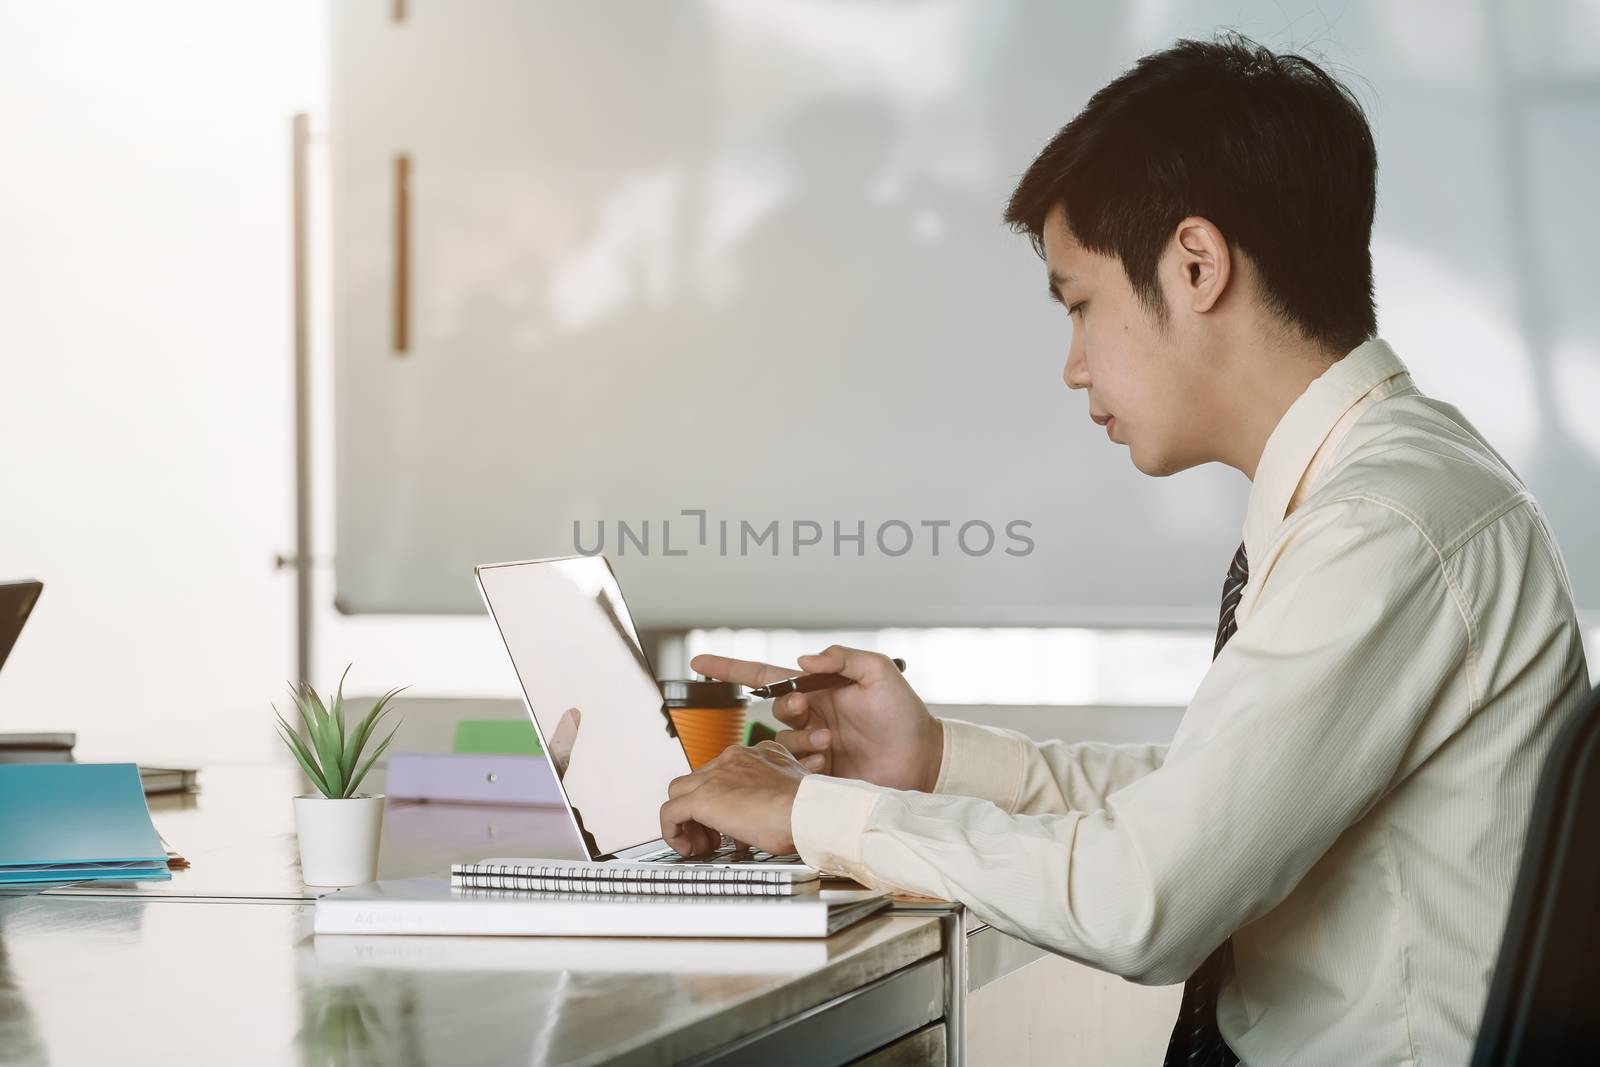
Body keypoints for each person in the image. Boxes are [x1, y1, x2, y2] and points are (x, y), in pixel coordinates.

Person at [658, 34, 1590, 1065]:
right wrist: (931, 763)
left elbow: (1148, 894)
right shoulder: (1384, 487)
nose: (1070, 364)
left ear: (1195, 264)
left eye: (1079, 303)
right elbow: (1204, 801)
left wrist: (814, 811)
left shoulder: (1384, 522)